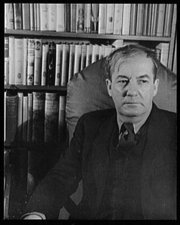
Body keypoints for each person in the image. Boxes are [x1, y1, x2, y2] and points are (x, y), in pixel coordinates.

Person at [21, 45, 177, 220]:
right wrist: (35, 213)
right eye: (123, 81)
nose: (132, 91)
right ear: (109, 87)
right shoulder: (90, 125)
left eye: (142, 81)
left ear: (155, 87)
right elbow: (61, 177)